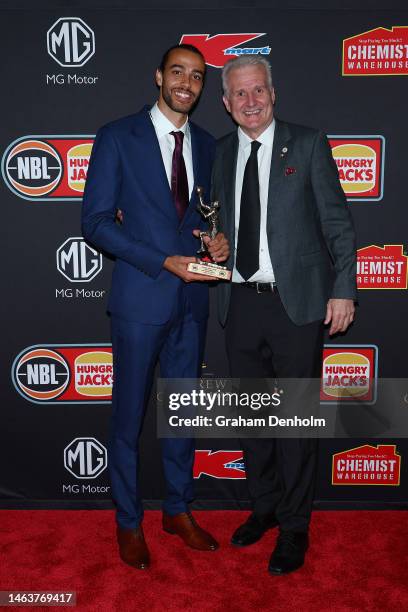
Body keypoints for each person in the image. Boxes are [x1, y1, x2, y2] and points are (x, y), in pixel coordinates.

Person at [82, 44, 229, 570]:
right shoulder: (117, 136)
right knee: (128, 417)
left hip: (193, 301)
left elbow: (203, 219)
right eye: (177, 72)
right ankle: (128, 520)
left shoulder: (209, 145)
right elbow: (96, 223)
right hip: (141, 299)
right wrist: (161, 260)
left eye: (196, 76)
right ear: (158, 77)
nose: (186, 83)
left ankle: (177, 509)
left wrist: (216, 245)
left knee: (182, 414)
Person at [212, 56, 356, 575]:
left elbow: (338, 223)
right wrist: (215, 245)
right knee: (252, 420)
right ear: (226, 104)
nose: (250, 102)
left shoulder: (310, 143)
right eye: (239, 94)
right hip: (239, 301)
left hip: (297, 305)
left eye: (258, 91)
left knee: (295, 423)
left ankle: (295, 527)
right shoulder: (222, 153)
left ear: (274, 94)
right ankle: (265, 507)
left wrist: (343, 289)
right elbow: (218, 224)